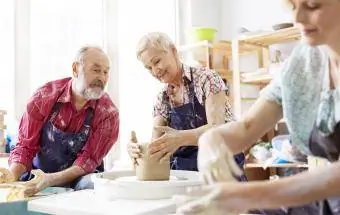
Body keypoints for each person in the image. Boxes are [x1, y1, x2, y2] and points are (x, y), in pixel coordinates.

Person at [176, 0, 340, 214]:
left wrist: (245, 196)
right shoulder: (302, 63)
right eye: (292, 6)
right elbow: (247, 126)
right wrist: (211, 140)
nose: (297, 18)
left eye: (312, 5)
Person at [1, 46, 119, 194]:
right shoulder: (44, 96)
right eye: (96, 70)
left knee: (94, 186)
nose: (102, 77)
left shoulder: (108, 113)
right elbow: (25, 147)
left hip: (78, 179)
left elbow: (87, 162)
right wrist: (11, 176)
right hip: (37, 176)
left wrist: (50, 180)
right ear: (75, 69)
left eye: (106, 72)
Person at [127, 32, 246, 177]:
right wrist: (137, 151)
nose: (155, 71)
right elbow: (156, 146)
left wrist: (180, 138)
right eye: (148, 68)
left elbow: (217, 128)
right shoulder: (162, 98)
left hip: (220, 163)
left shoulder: (206, 79)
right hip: (186, 173)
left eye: (156, 61)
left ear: (173, 51)